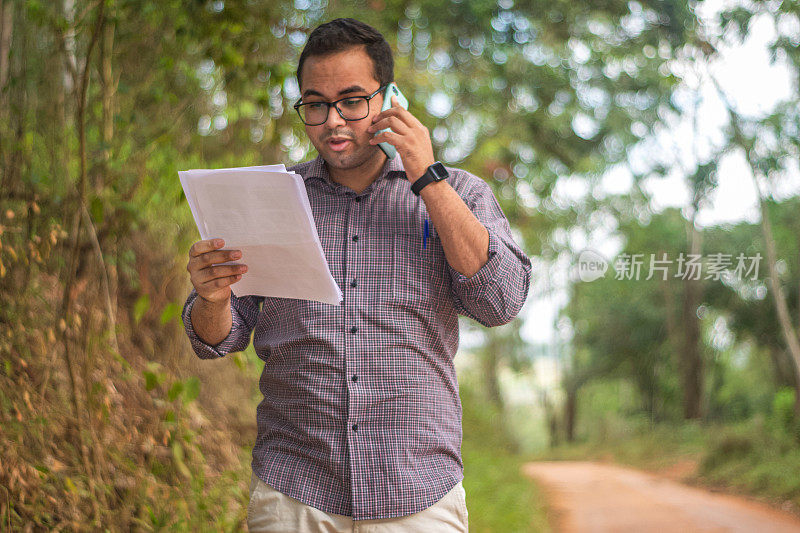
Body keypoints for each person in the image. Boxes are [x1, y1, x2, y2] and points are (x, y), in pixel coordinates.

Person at [182, 18, 531, 532]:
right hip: (295, 493)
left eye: (351, 100)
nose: (333, 121)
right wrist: (211, 298)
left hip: (418, 492)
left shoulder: (460, 193)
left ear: (391, 98)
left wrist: (427, 177)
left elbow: (500, 301)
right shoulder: (270, 198)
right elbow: (218, 338)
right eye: (316, 103)